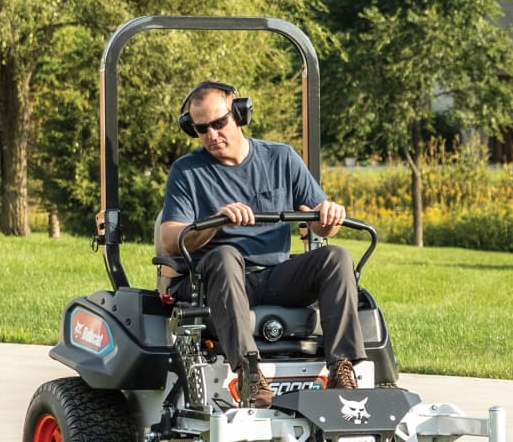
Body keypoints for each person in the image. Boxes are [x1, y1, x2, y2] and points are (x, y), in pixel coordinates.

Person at [155, 80, 362, 408]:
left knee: (335, 257)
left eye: (219, 123)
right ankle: (249, 372)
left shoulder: (281, 158)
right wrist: (217, 221)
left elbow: (318, 221)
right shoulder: (187, 172)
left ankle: (342, 368)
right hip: (215, 282)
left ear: (238, 115)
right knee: (226, 253)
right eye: (201, 128)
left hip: (274, 275)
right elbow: (169, 239)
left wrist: (329, 215)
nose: (212, 134)